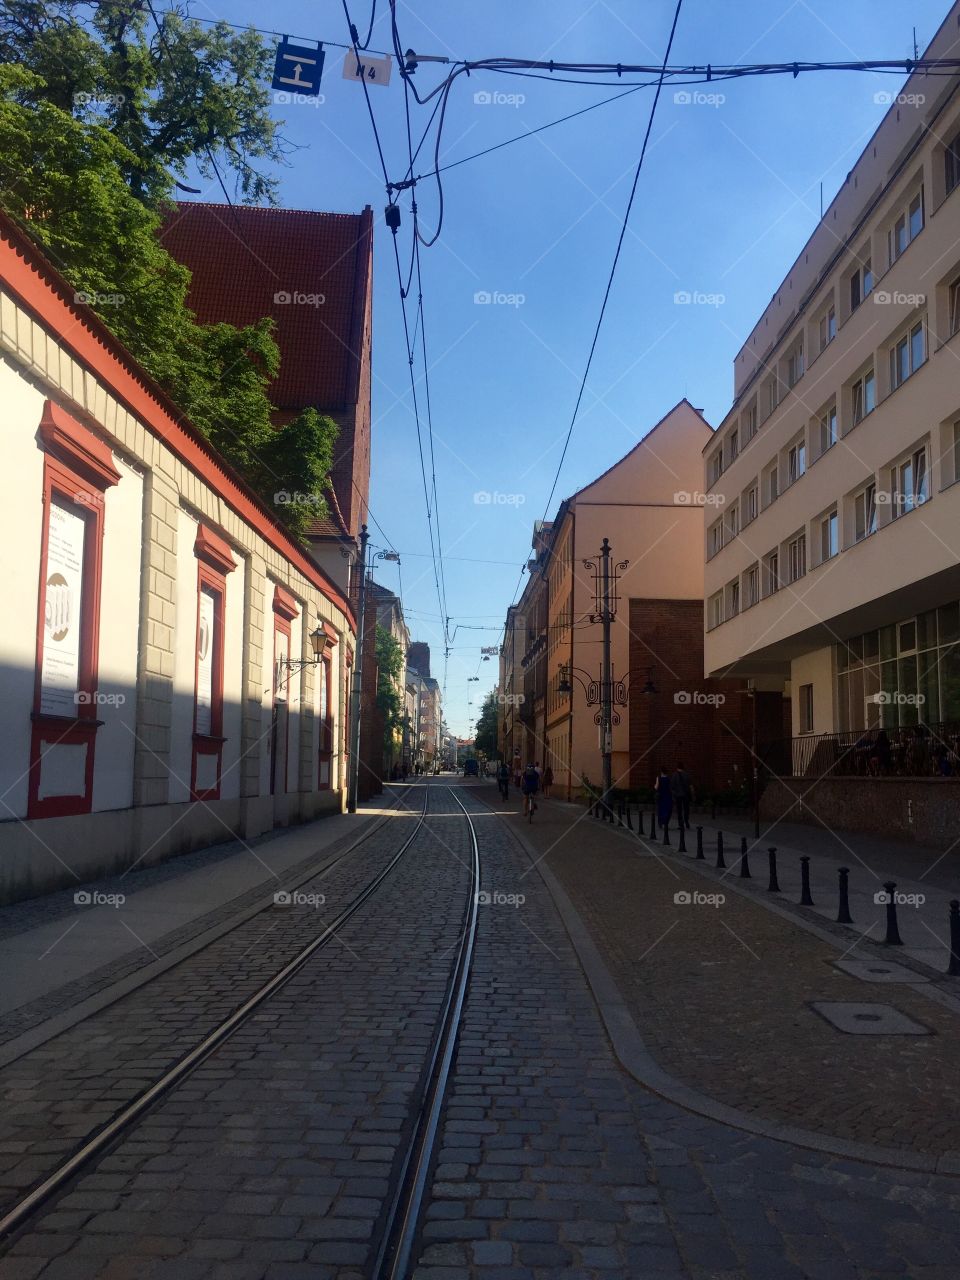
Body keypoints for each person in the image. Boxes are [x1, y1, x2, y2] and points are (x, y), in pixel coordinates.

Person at [670, 762, 692, 829]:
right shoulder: (687, 775)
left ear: (677, 767)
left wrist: (674, 794)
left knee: (679, 810)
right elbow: (690, 785)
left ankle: (680, 823)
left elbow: (672, 786)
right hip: (686, 794)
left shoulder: (674, 775)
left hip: (678, 795)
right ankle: (686, 821)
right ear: (683, 767)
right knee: (686, 809)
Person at [654, 766, 672, 834]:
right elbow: (671, 787)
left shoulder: (658, 778)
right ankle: (665, 822)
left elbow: (656, 787)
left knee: (661, 809)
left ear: (661, 771)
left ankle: (661, 822)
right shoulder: (669, 779)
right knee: (667, 809)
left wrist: (654, 786)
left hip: (661, 796)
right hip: (668, 796)